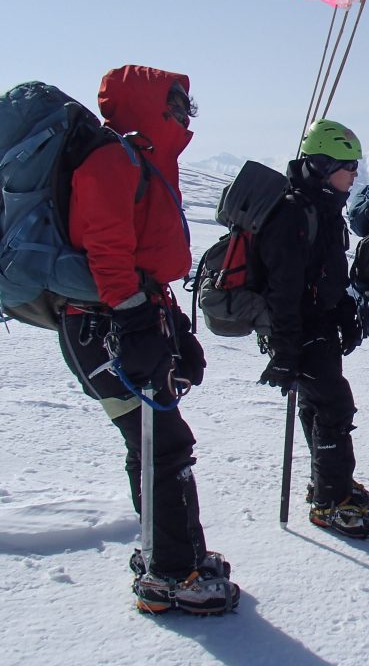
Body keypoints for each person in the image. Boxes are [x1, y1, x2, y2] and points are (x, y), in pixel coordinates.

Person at [57, 65, 239, 614]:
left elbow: (144, 260)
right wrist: (137, 327)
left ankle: (170, 552)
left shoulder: (145, 160)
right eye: (178, 105)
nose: (186, 116)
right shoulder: (113, 161)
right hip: (101, 325)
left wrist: (173, 326)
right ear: (149, 106)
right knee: (160, 441)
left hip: (128, 315)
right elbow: (108, 253)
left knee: (154, 440)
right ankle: (168, 574)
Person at [255, 119, 369, 540]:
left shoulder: (324, 208)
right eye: (348, 165)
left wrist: (343, 309)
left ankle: (330, 482)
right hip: (299, 327)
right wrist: (286, 351)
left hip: (318, 322)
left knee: (320, 405)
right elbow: (283, 289)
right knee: (334, 407)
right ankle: (330, 498)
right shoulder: (293, 213)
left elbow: (327, 271)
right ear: (322, 165)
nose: (355, 174)